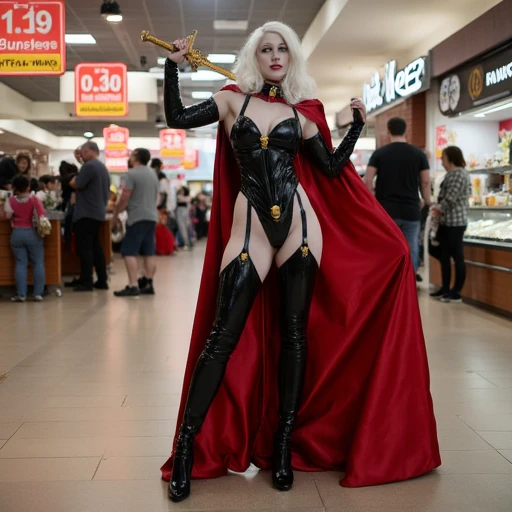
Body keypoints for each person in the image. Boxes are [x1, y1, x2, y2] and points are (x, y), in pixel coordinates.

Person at [161, 21, 440, 503]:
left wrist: (354, 129)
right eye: (266, 48)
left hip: (300, 227)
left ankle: (284, 443)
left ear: (291, 59)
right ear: (255, 57)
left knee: (294, 335)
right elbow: (176, 117)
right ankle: (187, 446)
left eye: (282, 49)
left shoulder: (303, 113)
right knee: (222, 336)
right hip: (251, 226)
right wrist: (172, 67)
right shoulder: (230, 100)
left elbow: (331, 170)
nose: (274, 55)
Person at [365, 118, 432, 276]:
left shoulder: (379, 153)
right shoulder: (419, 154)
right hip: (411, 211)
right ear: (406, 131)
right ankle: (408, 282)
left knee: (387, 249)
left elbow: (367, 180)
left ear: (388, 131)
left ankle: (389, 283)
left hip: (386, 212)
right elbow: (426, 181)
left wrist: (372, 201)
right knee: (411, 248)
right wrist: (427, 201)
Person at [112, 148, 159, 297]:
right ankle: (149, 283)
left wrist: (116, 211)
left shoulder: (130, 174)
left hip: (137, 217)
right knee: (148, 252)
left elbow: (125, 196)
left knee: (128, 251)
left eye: (132, 155)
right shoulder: (153, 174)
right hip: (151, 217)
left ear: (136, 157)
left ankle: (133, 285)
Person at [430, 146, 471, 303]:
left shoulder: (457, 174)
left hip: (455, 223)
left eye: (443, 158)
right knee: (444, 255)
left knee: (456, 256)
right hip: (448, 222)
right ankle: (446, 288)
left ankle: (456, 291)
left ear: (450, 158)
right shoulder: (453, 174)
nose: (441, 161)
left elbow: (450, 198)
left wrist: (436, 208)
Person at [69, 141, 110, 291]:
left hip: (86, 213)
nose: (82, 154)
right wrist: (80, 162)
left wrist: (73, 180)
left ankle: (86, 281)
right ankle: (101, 279)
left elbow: (76, 183)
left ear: (93, 151)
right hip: (97, 212)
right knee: (95, 247)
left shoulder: (90, 166)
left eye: (84, 152)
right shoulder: (100, 167)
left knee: (85, 248)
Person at [1, 174, 45, 302]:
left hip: (17, 234)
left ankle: (21, 294)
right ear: (28, 186)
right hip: (33, 233)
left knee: (20, 264)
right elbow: (42, 215)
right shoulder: (34, 199)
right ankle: (38, 293)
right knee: (37, 262)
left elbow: (8, 216)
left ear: (14, 188)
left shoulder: (11, 201)